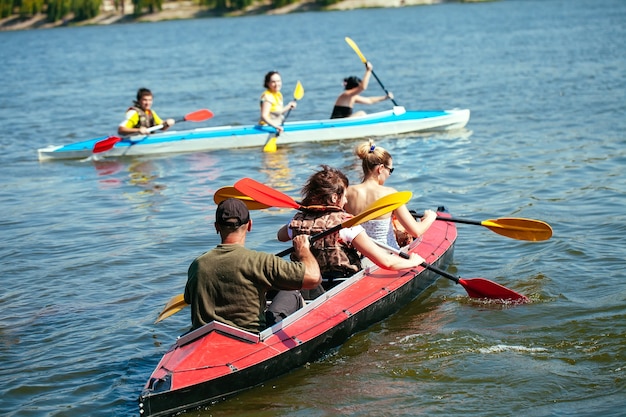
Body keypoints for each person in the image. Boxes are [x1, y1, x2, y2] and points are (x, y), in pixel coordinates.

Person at [277, 165, 425, 296]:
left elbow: (280, 236)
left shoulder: (296, 222)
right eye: (344, 196)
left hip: (308, 285)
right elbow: (386, 262)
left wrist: (305, 213)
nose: (346, 201)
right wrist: (413, 261)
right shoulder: (346, 224)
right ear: (335, 197)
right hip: (341, 286)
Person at [184, 198, 321, 333]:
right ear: (249, 225)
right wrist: (303, 250)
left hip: (205, 339)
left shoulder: (197, 265)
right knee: (291, 292)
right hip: (249, 338)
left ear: (216, 227)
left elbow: (188, 299)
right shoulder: (260, 261)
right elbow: (313, 278)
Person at [345, 140, 437, 250]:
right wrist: (430, 217)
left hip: (359, 254)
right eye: (390, 170)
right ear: (380, 168)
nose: (389, 175)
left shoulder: (347, 192)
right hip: (388, 253)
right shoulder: (390, 194)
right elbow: (416, 231)